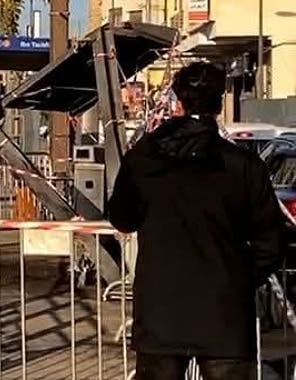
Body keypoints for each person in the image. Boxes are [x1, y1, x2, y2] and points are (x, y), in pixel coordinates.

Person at [107, 62, 286, 380]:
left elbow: (122, 218)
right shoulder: (243, 165)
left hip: (160, 310)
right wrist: (238, 278)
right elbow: (271, 242)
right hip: (224, 315)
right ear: (219, 104)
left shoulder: (145, 158)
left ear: (177, 100)